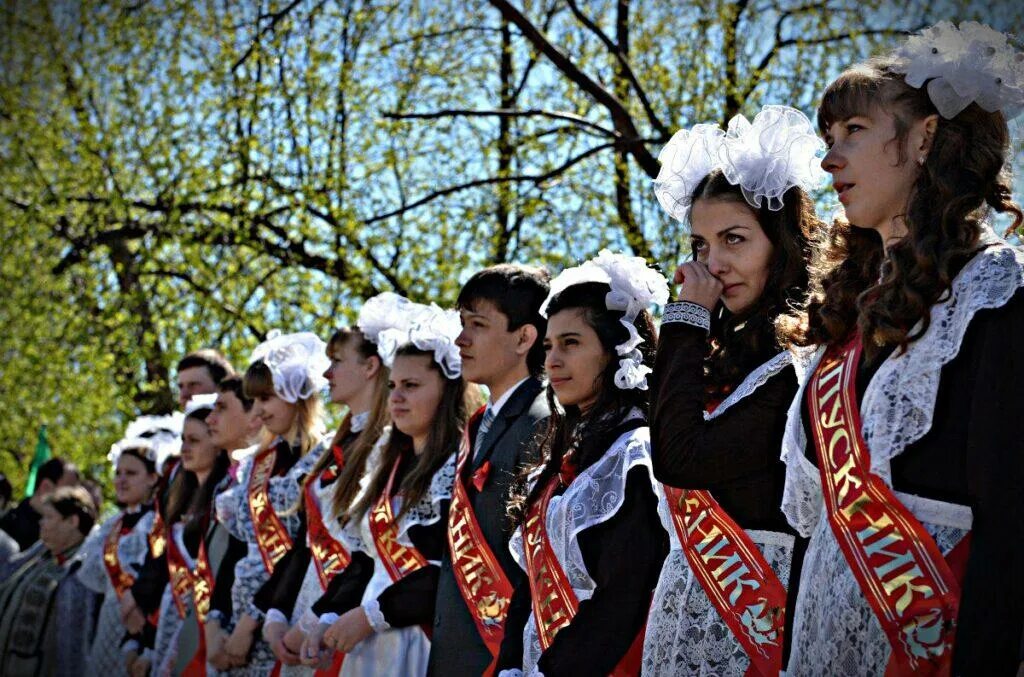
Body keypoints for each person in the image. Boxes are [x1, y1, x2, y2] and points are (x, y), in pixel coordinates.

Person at [776, 22, 1024, 675]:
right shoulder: (842, 330)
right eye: (827, 140)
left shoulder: (994, 294)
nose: (830, 159)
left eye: (853, 132)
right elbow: (816, 533)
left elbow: (1011, 521)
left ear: (923, 137)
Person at [644, 105, 824, 675]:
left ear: (782, 243)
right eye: (700, 244)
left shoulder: (799, 360)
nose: (713, 263)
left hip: (761, 633)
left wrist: (686, 318)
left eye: (734, 239)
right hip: (688, 624)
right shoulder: (721, 356)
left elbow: (680, 457)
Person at [496, 251, 670, 676]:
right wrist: (510, 669)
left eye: (571, 344)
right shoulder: (559, 458)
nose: (551, 360)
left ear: (616, 352)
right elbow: (530, 587)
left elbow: (623, 595)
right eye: (549, 346)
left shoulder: (635, 455)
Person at [304, 295, 478, 676]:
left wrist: (371, 616)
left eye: (411, 385)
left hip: (421, 640)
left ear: (448, 391)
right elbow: (369, 558)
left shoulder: (459, 464)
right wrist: (326, 616)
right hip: (372, 641)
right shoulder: (387, 459)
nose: (396, 397)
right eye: (393, 385)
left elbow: (450, 571)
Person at [427, 264, 551, 677]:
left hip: (499, 656)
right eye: (462, 324)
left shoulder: (543, 419)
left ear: (524, 337)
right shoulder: (479, 423)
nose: (461, 339)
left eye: (477, 325)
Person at [254, 326, 390, 674]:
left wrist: (319, 618)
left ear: (370, 366)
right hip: (309, 603)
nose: (327, 373)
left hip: (348, 613)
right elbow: (307, 540)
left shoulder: (389, 445)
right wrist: (277, 613)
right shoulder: (334, 444)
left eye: (337, 361)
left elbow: (371, 552)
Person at [208, 331, 331, 675]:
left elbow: (302, 549)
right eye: (254, 399)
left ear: (298, 395)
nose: (258, 411)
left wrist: (251, 624)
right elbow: (238, 547)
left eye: (268, 397)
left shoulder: (321, 460)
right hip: (237, 616)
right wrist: (217, 623)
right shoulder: (254, 464)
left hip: (285, 614)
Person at [76, 422, 165, 677]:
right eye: (118, 472)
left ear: (152, 478)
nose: (121, 480)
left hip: (146, 626)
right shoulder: (110, 526)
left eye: (131, 473)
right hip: (109, 622)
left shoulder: (157, 524)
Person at [0, 486, 99, 676]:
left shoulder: (84, 571)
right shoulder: (41, 555)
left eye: (48, 517)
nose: (41, 523)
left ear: (72, 521)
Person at [0, 457, 81, 550]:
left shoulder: (56, 539)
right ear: (46, 487)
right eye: (68, 491)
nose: (75, 501)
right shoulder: (7, 523)